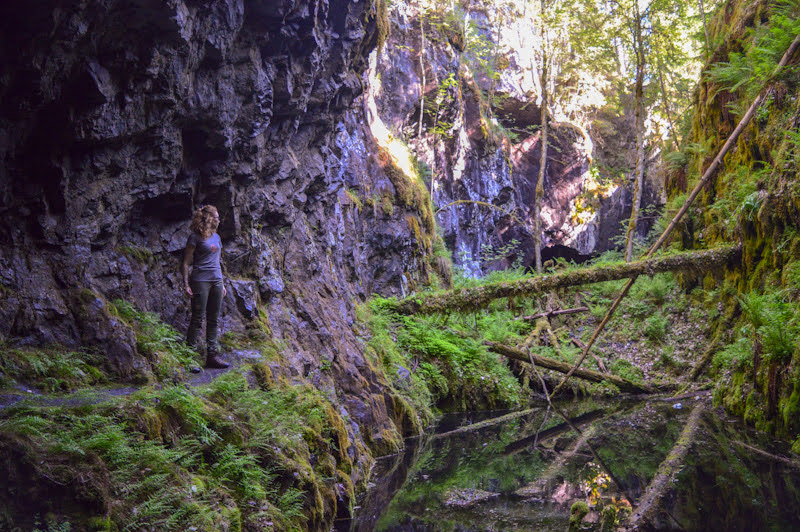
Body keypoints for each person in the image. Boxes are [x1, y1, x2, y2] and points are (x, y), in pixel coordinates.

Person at [182, 205, 230, 369]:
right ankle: (189, 357)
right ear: (208, 218)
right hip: (200, 280)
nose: (218, 219)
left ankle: (212, 356)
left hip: (216, 280)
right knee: (197, 318)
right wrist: (186, 283)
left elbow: (218, 262)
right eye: (216, 216)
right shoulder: (194, 238)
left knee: (213, 319)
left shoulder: (217, 237)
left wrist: (222, 283)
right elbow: (186, 262)